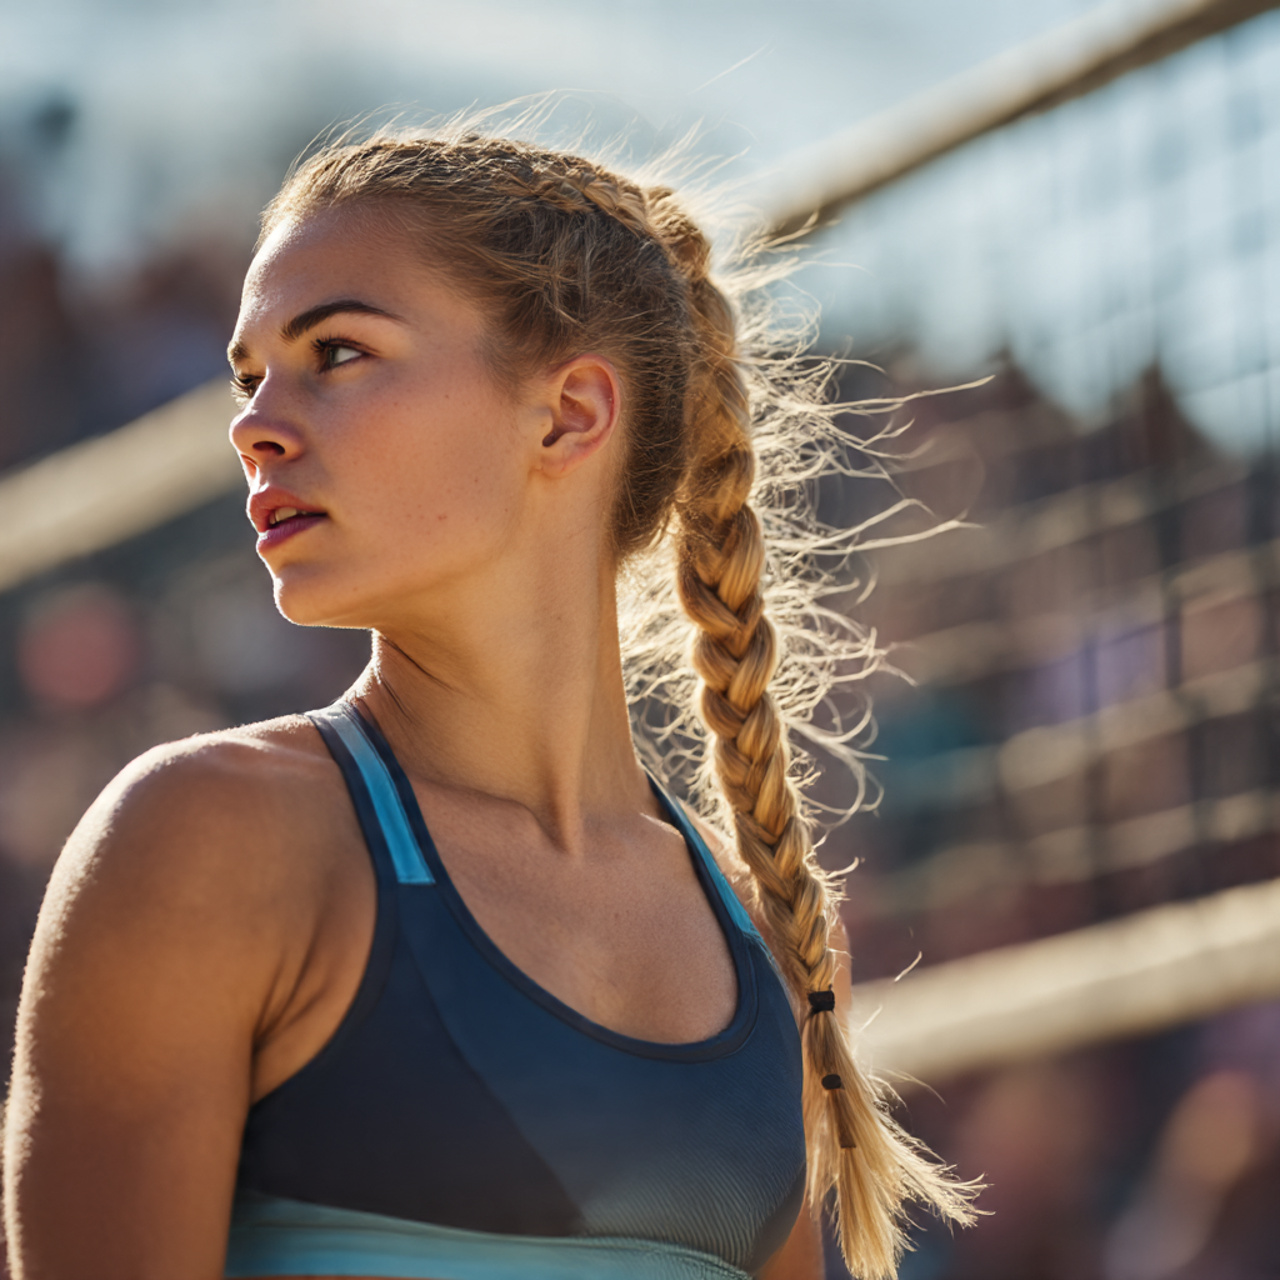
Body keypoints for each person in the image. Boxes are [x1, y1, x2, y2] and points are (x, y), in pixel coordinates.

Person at [3, 127, 975, 1280]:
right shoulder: (201, 838)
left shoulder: (770, 944)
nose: (252, 422)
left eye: (336, 351)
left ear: (567, 413)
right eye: (248, 373)